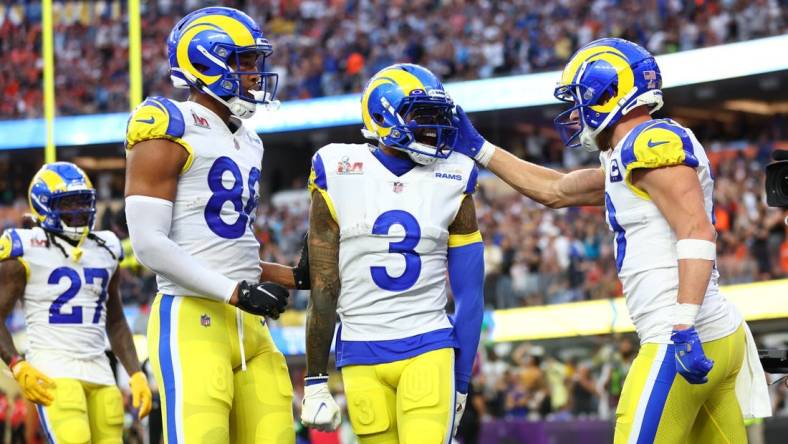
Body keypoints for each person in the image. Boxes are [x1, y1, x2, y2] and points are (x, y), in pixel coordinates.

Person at [451, 37, 771, 442]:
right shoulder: (626, 153)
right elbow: (558, 190)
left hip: (680, 335)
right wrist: (480, 149)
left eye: (581, 98)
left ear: (608, 95)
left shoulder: (649, 143)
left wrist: (683, 326)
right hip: (708, 333)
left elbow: (696, 230)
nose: (575, 111)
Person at [124, 6, 308, 443]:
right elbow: (149, 244)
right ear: (206, 61)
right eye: (243, 61)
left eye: (255, 62)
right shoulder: (167, 123)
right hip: (191, 319)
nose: (254, 73)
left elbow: (226, 246)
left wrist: (294, 277)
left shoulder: (249, 139)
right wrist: (236, 291)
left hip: (250, 325)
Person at [299, 63, 485, 443]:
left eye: (437, 116)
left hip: (426, 346)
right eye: (423, 116)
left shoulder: (455, 173)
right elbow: (323, 283)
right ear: (385, 116)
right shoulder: (336, 167)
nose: (435, 127)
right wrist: (315, 380)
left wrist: (462, 382)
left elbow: (471, 293)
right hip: (360, 353)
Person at [0, 162, 152, 443]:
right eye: (68, 203)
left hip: (100, 369)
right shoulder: (25, 248)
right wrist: (16, 364)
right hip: (53, 366)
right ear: (44, 205)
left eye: (83, 201)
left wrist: (135, 372)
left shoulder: (105, 247)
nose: (78, 210)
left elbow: (115, 319)